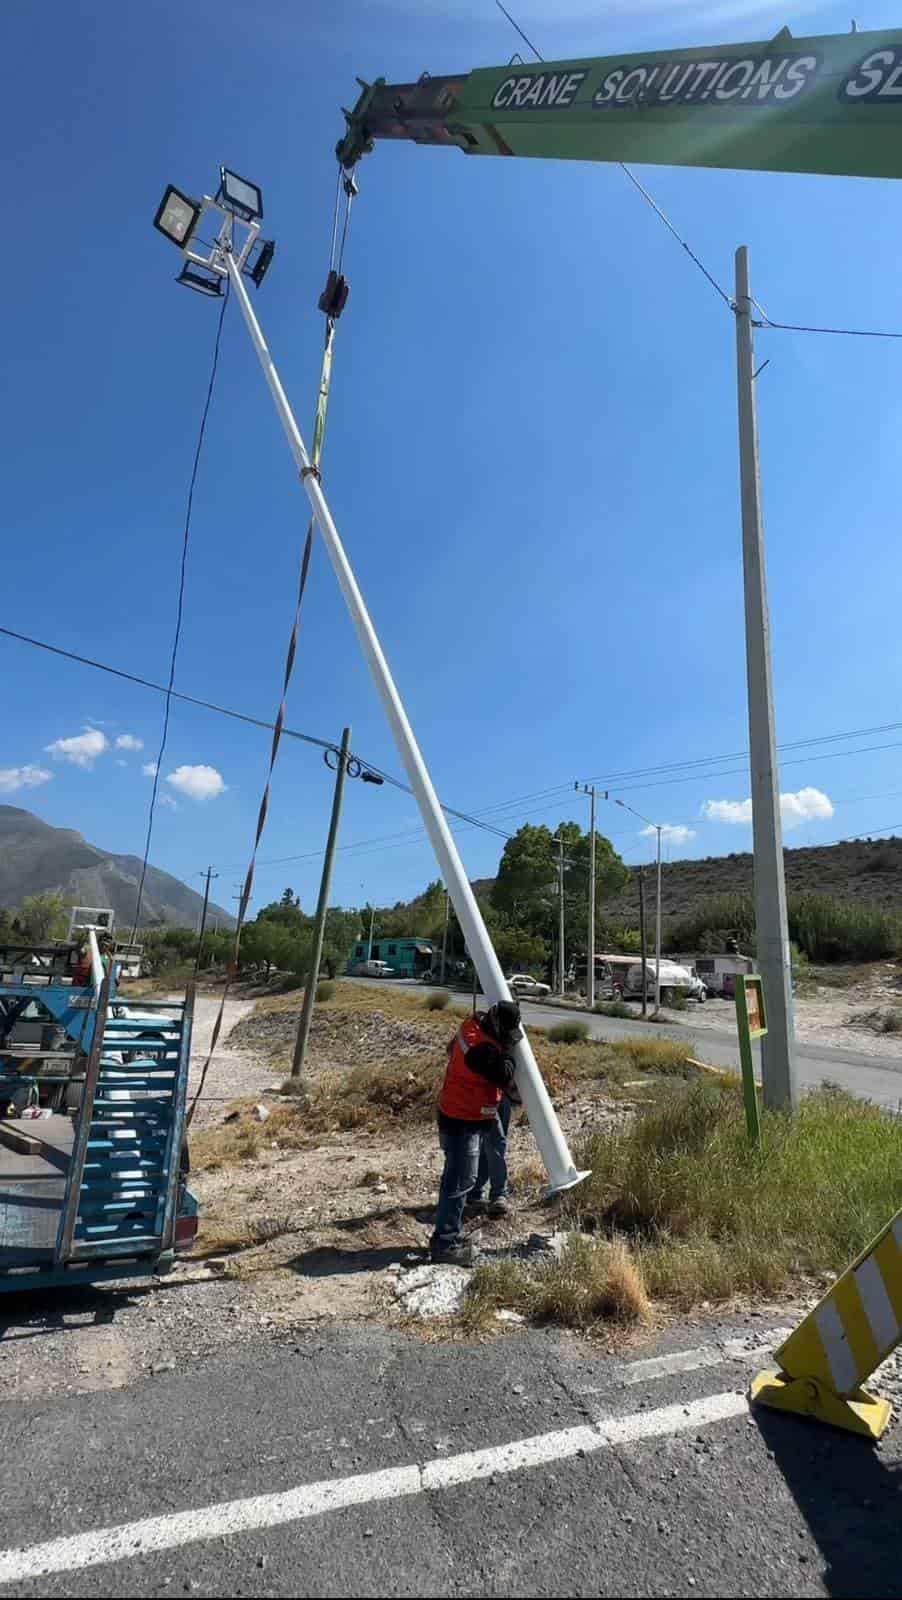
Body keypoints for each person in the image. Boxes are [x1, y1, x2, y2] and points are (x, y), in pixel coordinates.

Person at [429, 1000, 522, 1266]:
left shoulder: (475, 1027)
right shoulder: (478, 1047)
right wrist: (505, 1053)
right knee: (458, 1182)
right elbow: (503, 1073)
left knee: (459, 1178)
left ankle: (450, 1235)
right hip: (462, 1120)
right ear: (496, 1027)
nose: (507, 1041)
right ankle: (445, 1245)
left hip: (468, 1114)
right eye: (505, 1036)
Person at [465, 1093, 513, 1219]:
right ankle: (498, 1195)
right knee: (495, 1141)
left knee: (490, 1142)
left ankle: (474, 1192)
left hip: (503, 1091)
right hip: (486, 1091)